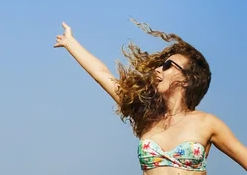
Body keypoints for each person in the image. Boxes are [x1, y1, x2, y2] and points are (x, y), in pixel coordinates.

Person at [54, 19, 247, 174]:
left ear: (188, 79)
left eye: (168, 66)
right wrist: (70, 43)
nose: (157, 69)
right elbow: (103, 75)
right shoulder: (146, 117)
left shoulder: (207, 123)